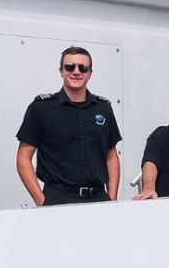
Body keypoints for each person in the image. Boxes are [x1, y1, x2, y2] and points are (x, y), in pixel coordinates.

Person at [15, 46, 121, 206]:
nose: (76, 72)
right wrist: (42, 201)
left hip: (99, 199)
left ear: (90, 73)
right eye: (70, 67)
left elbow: (111, 156)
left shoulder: (103, 108)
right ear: (61, 71)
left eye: (83, 68)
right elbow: (23, 158)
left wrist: (112, 198)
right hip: (58, 199)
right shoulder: (41, 108)